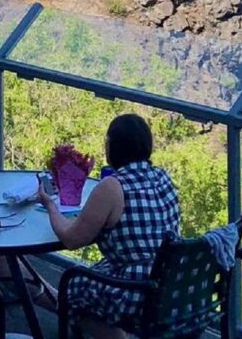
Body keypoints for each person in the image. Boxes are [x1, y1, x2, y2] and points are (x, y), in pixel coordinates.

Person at [39, 114, 180, 339]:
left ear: (112, 147)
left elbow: (72, 239)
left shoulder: (113, 186)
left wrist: (49, 204)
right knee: (95, 271)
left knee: (74, 285)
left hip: (137, 290)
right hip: (170, 279)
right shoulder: (162, 176)